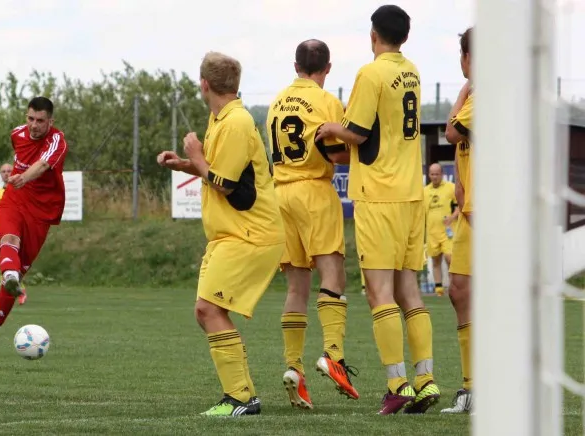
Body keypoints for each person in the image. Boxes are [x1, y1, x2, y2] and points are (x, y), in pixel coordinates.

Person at [316, 5, 440, 415]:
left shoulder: (371, 73)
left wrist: (330, 128)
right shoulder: (413, 71)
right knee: (409, 291)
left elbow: (356, 132)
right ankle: (425, 379)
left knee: (379, 292)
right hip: (411, 194)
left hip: (380, 194)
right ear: (405, 36)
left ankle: (397, 383)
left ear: (373, 35)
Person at [157, 52, 285, 417]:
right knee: (207, 311)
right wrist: (185, 164)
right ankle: (243, 396)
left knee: (208, 309)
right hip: (232, 233)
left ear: (204, 84)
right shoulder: (222, 118)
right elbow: (222, 172)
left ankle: (240, 398)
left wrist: (195, 154)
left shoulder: (235, 123)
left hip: (249, 233)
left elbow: (225, 185)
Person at [266, 39, 358, 410]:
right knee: (332, 272)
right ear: (328, 68)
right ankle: (333, 356)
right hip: (314, 191)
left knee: (296, 286)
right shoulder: (326, 101)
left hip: (280, 193)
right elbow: (337, 153)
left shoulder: (276, 102)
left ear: (295, 66)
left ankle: (294, 367)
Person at [0, 96, 68, 360]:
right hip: (13, 201)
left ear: (50, 121)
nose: (34, 125)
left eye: (40, 121)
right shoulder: (17, 133)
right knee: (9, 239)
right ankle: (10, 275)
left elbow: (43, 164)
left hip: (40, 215)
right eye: (30, 119)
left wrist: (23, 177)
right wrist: (19, 182)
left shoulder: (57, 141)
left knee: (12, 282)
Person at [441, 27, 474, 414]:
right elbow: (461, 144)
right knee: (459, 291)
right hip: (470, 211)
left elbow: (452, 132)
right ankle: (471, 389)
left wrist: (465, 89)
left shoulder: (485, 96)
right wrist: (461, 186)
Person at [0, 163, 28, 305]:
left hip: (13, 237)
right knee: (2, 267)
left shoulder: (20, 190)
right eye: (3, 171)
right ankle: (8, 292)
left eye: (9, 170)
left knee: (13, 265)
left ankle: (20, 290)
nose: (6, 173)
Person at [423, 163, 458, 296]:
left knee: (450, 259)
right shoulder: (425, 191)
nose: (435, 177)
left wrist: (452, 217)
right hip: (432, 232)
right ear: (429, 175)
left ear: (442, 174)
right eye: (432, 174)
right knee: (436, 260)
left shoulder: (451, 187)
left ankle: (453, 287)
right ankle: (439, 290)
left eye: (437, 174)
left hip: (447, 232)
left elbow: (460, 206)